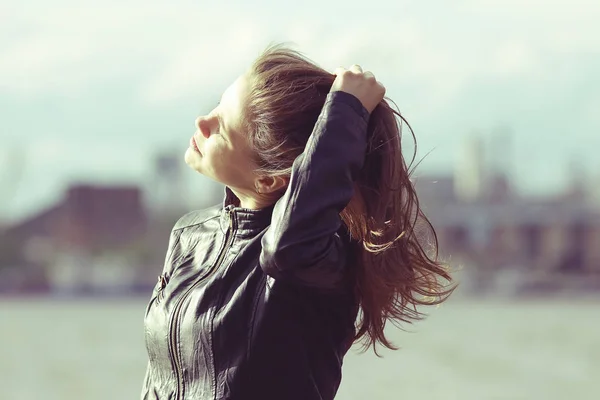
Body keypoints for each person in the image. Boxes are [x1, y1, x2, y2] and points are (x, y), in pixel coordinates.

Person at [141, 44, 455, 400]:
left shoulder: (315, 255)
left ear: (269, 180)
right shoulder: (191, 235)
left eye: (222, 128)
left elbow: (286, 246)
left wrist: (345, 111)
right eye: (217, 106)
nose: (202, 122)